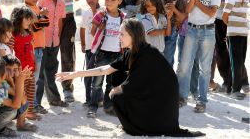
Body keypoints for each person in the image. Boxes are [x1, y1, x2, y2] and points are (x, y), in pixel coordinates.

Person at [56, 19, 205, 137]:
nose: (118, 37)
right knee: (117, 93)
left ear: (133, 35)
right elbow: (105, 69)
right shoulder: (130, 52)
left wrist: (118, 89)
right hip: (151, 98)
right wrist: (75, 74)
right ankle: (135, 125)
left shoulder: (147, 53)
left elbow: (138, 82)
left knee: (117, 95)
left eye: (122, 34)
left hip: (161, 105)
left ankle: (137, 128)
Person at [177, 0, 221, 113]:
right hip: (191, 30)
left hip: (208, 31)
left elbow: (211, 12)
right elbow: (188, 10)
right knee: (184, 66)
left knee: (205, 69)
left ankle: (202, 101)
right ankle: (182, 97)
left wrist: (196, 1)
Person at [39, 0, 82, 103]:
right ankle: (47, 89)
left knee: (67, 54)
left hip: (68, 18)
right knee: (48, 55)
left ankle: (67, 89)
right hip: (49, 20)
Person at [86, 0, 125, 118]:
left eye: (113, 0)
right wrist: (101, 28)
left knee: (111, 82)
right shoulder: (101, 14)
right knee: (97, 83)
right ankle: (92, 107)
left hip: (117, 55)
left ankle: (109, 106)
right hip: (102, 53)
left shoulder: (123, 17)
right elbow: (92, 31)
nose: (109, 2)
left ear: (120, 1)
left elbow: (125, 35)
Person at [36, 0, 69, 108]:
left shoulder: (61, 1)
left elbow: (60, 20)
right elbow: (35, 19)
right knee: (39, 73)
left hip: (54, 41)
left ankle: (54, 99)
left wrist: (59, 38)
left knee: (51, 71)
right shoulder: (41, 0)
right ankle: (36, 103)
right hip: (42, 40)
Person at [21, 0, 49, 114]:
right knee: (32, 78)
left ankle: (33, 104)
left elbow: (45, 23)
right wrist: (41, 16)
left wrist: (41, 16)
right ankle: (30, 105)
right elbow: (36, 27)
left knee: (36, 78)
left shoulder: (36, 8)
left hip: (39, 47)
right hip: (32, 49)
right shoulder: (25, 10)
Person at [222, 0, 249, 99]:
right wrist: (231, 29)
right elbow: (224, 17)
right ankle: (235, 90)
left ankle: (230, 88)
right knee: (236, 63)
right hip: (233, 35)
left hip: (244, 34)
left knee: (240, 62)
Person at [152, 0, 186, 65]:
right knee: (154, 59)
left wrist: (174, 9)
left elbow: (182, 17)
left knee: (167, 59)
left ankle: (167, 81)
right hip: (155, 31)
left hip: (171, 32)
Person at [11, 6, 41, 120]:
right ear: (19, 19)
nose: (29, 22)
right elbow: (10, 52)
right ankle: (21, 114)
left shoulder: (29, 33)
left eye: (30, 19)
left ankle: (30, 112)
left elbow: (31, 50)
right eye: (27, 19)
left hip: (30, 68)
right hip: (20, 70)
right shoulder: (14, 35)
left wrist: (35, 63)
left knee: (31, 90)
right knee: (21, 93)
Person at [212, 0, 234, 93]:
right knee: (220, 52)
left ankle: (241, 82)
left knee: (234, 51)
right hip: (217, 19)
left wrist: (225, 2)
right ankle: (227, 82)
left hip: (232, 20)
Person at [0, 57, 35, 137]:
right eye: (7, 70)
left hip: (1, 109)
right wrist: (20, 82)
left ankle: (20, 124)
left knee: (18, 102)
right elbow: (16, 105)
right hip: (1, 110)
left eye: (15, 69)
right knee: (12, 110)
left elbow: (22, 99)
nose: (10, 73)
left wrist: (17, 81)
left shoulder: (2, 83)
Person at [80, 0, 102, 107]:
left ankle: (99, 98)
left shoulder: (103, 12)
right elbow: (82, 28)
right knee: (88, 74)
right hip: (89, 49)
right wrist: (83, 44)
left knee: (98, 74)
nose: (90, 0)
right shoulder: (86, 13)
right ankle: (89, 99)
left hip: (101, 48)